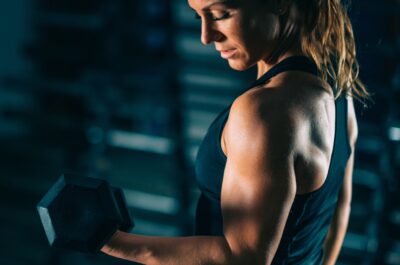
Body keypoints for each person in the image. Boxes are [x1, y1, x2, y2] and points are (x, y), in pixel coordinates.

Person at [101, 0, 370, 264]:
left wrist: (111, 241)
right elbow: (337, 211)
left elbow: (242, 258)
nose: (206, 36)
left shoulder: (264, 111)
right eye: (199, 17)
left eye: (220, 14)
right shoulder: (338, 90)